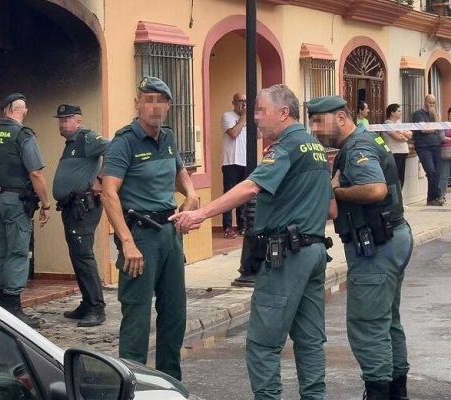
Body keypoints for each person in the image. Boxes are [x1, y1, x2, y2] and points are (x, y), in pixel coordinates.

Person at [171, 85, 335, 399]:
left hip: (287, 255)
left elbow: (250, 187)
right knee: (310, 340)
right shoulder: (314, 146)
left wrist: (202, 213)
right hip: (314, 251)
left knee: (262, 344)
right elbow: (331, 208)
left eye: (261, 110)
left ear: (283, 113)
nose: (256, 117)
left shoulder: (284, 147)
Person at [308, 95, 413, 400]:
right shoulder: (367, 140)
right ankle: (397, 391)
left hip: (377, 247)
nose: (315, 129)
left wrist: (336, 191)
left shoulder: (358, 148)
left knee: (368, 325)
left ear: (341, 118)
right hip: (392, 238)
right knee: (387, 320)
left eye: (319, 121)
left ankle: (379, 390)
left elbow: (376, 189)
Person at [102, 76, 198, 380]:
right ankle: (134, 383)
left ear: (168, 106)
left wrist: (192, 195)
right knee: (137, 316)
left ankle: (170, 381)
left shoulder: (168, 138)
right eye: (148, 100)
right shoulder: (124, 142)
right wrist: (127, 242)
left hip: (170, 233)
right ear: (137, 104)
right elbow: (108, 192)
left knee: (174, 314)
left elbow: (180, 172)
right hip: (140, 236)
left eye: (160, 100)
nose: (154, 107)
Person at [0, 93, 53, 327]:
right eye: (25, 110)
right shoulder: (23, 135)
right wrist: (46, 204)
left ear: (5, 110)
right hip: (17, 201)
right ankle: (13, 307)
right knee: (17, 251)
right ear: (21, 111)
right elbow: (36, 173)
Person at [52, 103, 109, 327]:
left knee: (84, 255)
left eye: (68, 119)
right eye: (60, 119)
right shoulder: (71, 144)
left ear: (79, 121)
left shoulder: (87, 139)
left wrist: (101, 180)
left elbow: (114, 150)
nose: (63, 123)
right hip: (71, 207)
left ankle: (96, 308)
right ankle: (87, 304)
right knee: (77, 255)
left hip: (84, 207)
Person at [222, 93, 248, 239]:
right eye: (240, 101)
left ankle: (242, 226)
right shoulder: (227, 116)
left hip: (245, 161)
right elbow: (234, 133)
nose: (243, 104)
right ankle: (227, 227)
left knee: (242, 196)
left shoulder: (249, 118)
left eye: (245, 101)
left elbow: (258, 135)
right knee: (229, 195)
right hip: (231, 162)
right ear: (233, 102)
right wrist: (244, 117)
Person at [412, 94, 444, 206]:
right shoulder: (418, 113)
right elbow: (424, 129)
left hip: (435, 145)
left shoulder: (433, 114)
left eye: (434, 103)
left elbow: (440, 127)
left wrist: (435, 115)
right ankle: (437, 195)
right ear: (425, 101)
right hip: (424, 147)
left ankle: (431, 199)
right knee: (430, 171)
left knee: (437, 172)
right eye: (430, 102)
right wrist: (435, 128)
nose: (432, 105)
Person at [383, 103, 412, 187]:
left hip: (403, 153)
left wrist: (402, 133)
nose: (401, 113)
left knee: (401, 177)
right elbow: (398, 137)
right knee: (395, 177)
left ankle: (399, 197)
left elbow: (410, 134)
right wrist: (403, 135)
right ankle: (395, 198)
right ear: (392, 112)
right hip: (394, 153)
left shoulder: (400, 123)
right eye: (398, 111)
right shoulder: (387, 124)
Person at [439, 107, 451, 202]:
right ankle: (441, 195)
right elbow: (442, 138)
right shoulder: (444, 125)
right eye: (450, 113)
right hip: (446, 152)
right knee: (444, 175)